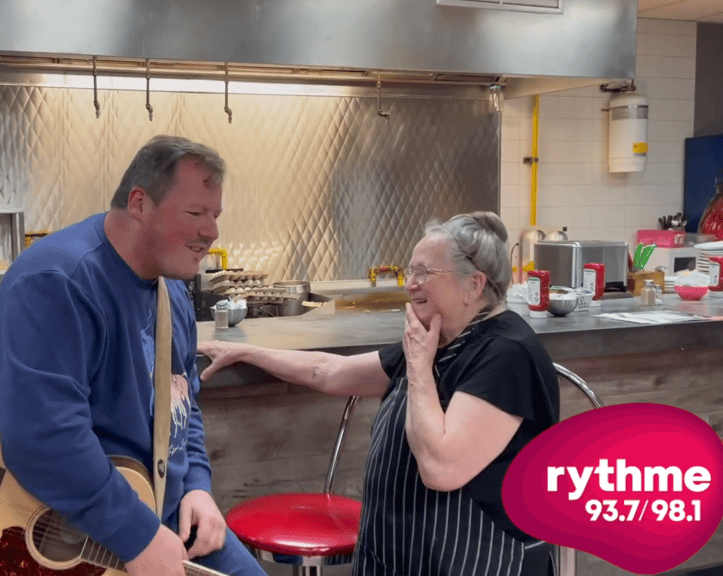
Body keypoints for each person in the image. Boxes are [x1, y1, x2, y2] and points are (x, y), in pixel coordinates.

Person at [197, 212, 561, 576]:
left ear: (474, 284)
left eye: (424, 273)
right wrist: (246, 352)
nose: (411, 284)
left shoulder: (506, 354)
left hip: (473, 560)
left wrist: (419, 366)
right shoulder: (436, 337)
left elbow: (441, 469)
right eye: (411, 272)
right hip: (402, 555)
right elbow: (329, 373)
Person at [0, 135, 268, 576]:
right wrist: (137, 535)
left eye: (214, 215)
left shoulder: (172, 288)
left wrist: (196, 487)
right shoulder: (58, 281)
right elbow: (43, 439)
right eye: (195, 213)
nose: (211, 232)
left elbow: (181, 401)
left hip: (163, 520)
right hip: (72, 531)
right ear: (139, 203)